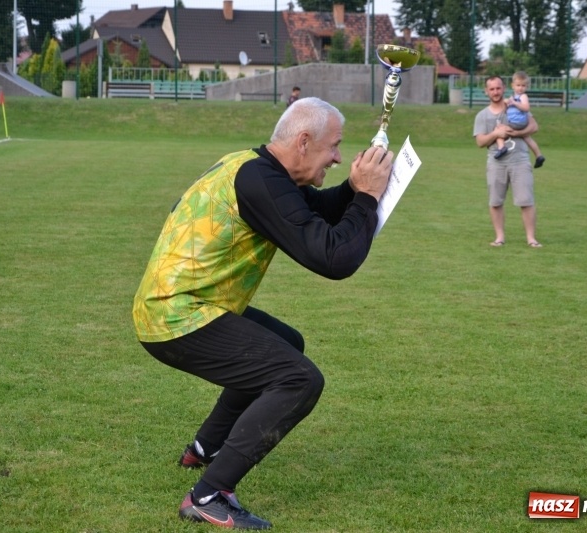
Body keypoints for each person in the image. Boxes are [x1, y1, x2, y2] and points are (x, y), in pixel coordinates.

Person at [132, 97, 393, 530]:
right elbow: (333, 258)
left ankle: (205, 448)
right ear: (305, 141)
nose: (338, 157)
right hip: (177, 316)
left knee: (287, 346)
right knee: (298, 377)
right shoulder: (261, 181)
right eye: (334, 147)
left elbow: (315, 211)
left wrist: (354, 187)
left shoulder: (254, 168)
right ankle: (208, 495)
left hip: (176, 306)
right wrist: (365, 198)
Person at [474, 75, 542, 248]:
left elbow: (534, 126)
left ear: (504, 88)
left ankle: (531, 238)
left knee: (526, 200)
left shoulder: (515, 106)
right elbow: (480, 142)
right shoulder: (482, 115)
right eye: (492, 89)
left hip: (520, 161)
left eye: (498, 88)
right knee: (495, 202)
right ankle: (499, 237)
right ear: (486, 92)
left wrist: (515, 133)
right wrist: (496, 135)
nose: (495, 92)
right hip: (496, 163)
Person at [493, 71, 545, 168]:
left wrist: (514, 103)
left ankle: (501, 148)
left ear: (526, 87)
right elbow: (506, 109)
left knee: (499, 131)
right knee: (527, 138)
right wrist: (506, 103)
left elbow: (526, 108)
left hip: (517, 123)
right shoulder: (513, 97)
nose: (520, 88)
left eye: (523, 86)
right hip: (518, 123)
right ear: (513, 85)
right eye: (518, 85)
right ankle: (539, 156)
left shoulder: (523, 96)